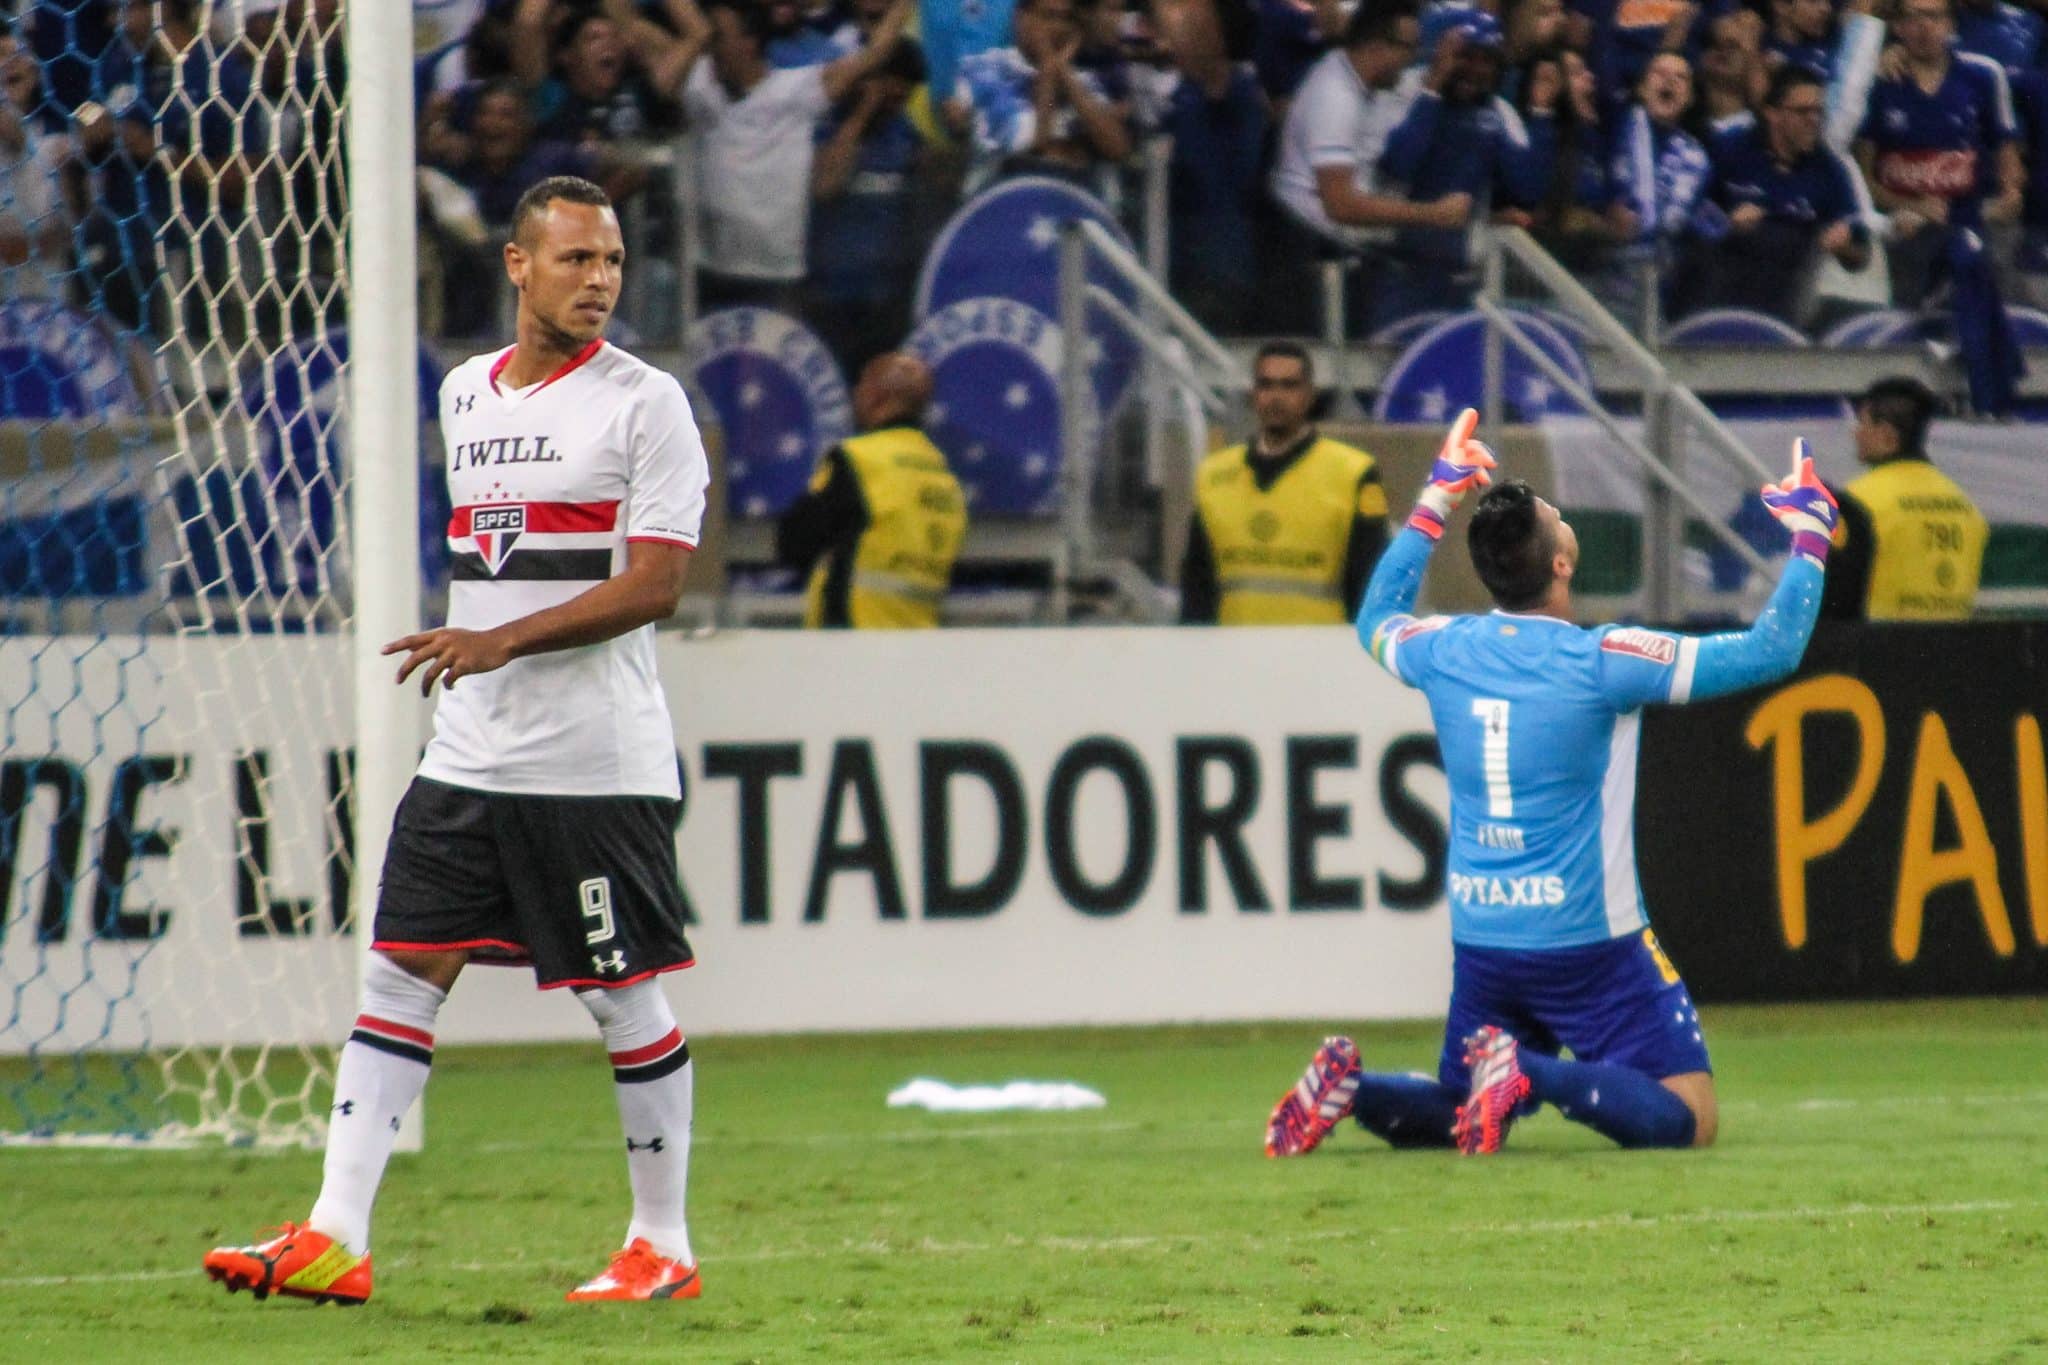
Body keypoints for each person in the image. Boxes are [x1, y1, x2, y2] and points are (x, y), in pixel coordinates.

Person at [204, 176, 712, 1304]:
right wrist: (485, 656)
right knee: (398, 973)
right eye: (576, 260)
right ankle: (337, 1234)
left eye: (613, 261)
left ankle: (661, 1243)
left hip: (590, 762)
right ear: (518, 267)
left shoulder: (645, 404)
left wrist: (506, 641)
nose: (600, 281)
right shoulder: (465, 394)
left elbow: (657, 585)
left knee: (619, 997)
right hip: (469, 753)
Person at [1265, 407, 1841, 1158]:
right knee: (1689, 1115)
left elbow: (1375, 614)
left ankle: (1354, 1090)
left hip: (1485, 934)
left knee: (1463, 1105)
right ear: (1561, 563)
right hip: (1587, 940)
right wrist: (1811, 533)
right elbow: (1773, 648)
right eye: (1558, 517)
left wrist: (1437, 498)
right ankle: (1529, 1072)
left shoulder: (1445, 648)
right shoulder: (1605, 661)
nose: (1565, 519)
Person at [1179, 341, 1388, 625]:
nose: (1276, 397)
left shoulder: (1352, 472)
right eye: (1266, 385)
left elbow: (1368, 578)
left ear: (1309, 395)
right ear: (1253, 394)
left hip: (1318, 651)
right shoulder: (1214, 475)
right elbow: (1197, 584)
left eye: (1289, 386)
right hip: (1232, 653)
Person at [774, 351, 966, 628]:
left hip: (855, 641)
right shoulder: (942, 475)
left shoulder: (859, 460)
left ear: (875, 397)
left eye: (861, 386)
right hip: (920, 643)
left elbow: (794, 542)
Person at [1683, 66, 1870, 325]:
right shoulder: (1729, 149)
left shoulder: (1830, 170)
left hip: (1787, 299)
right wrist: (1726, 224)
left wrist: (1842, 244)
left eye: (1819, 112)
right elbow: (1687, 218)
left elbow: (1860, 255)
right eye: (1803, 112)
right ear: (1772, 113)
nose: (1813, 120)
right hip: (1719, 292)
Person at [1821, 376, 1988, 621]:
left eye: (1862, 423)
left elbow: (1835, 601)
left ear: (1888, 435)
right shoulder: (1966, 507)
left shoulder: (1857, 502)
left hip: (1879, 650)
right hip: (1953, 652)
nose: (1856, 433)